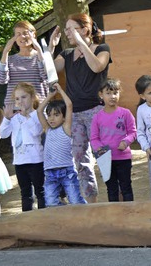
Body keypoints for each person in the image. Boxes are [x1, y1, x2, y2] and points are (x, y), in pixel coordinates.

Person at [49, 13, 112, 203]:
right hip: (74, 114)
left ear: (84, 29)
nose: (67, 33)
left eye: (70, 29)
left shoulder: (102, 48)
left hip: (96, 111)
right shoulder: (66, 54)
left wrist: (81, 42)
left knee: (104, 155)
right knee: (80, 159)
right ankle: (91, 202)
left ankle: (114, 198)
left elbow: (96, 67)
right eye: (66, 29)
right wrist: (51, 47)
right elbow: (50, 70)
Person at [36, 84, 86, 206]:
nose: (51, 118)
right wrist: (50, 95)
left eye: (56, 114)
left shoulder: (66, 128)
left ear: (64, 117)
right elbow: (39, 111)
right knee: (51, 202)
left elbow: (69, 105)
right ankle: (64, 215)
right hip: (50, 172)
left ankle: (84, 214)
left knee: (75, 200)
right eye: (50, 115)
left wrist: (60, 90)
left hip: (66, 171)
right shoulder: (47, 129)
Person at [90, 78, 137, 202]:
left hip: (123, 158)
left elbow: (133, 132)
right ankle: (114, 215)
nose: (112, 96)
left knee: (126, 187)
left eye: (115, 93)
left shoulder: (126, 113)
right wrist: (100, 149)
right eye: (108, 93)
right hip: (105, 159)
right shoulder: (97, 117)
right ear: (101, 95)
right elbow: (94, 139)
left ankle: (130, 214)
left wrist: (126, 141)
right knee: (111, 189)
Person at [0, 82, 45, 211]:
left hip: (36, 160)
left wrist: (27, 117)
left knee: (40, 190)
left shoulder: (38, 114)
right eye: (17, 98)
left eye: (24, 97)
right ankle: (27, 218)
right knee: (25, 193)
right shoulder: (14, 117)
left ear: (32, 97)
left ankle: (44, 217)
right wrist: (7, 119)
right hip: (20, 161)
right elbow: (3, 134)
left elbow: (37, 132)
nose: (20, 101)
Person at [0, 20, 49, 106]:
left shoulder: (42, 57)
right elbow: (1, 80)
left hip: (37, 109)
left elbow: (46, 76)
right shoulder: (9, 59)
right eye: (18, 34)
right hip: (14, 111)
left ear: (34, 35)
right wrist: (5, 51)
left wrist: (39, 50)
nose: (22, 37)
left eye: (25, 33)